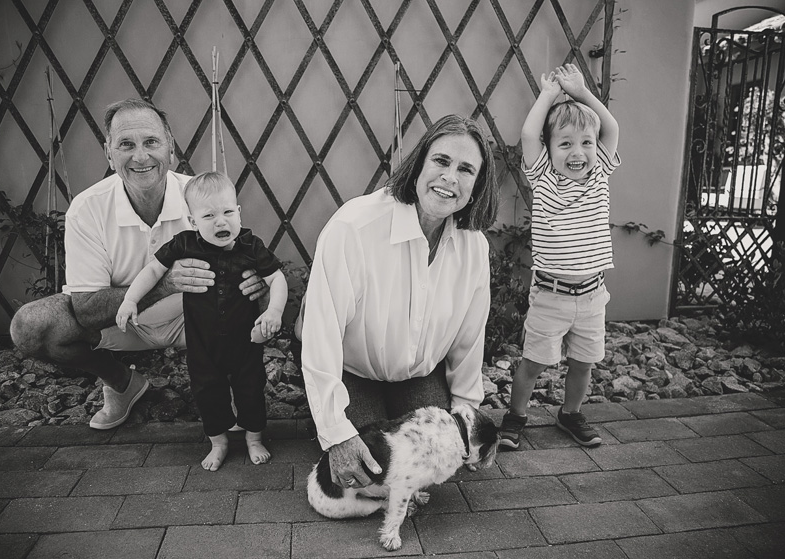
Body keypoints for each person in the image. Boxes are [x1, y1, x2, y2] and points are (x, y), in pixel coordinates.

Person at [9, 99, 267, 431]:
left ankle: (228, 385)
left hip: (195, 321)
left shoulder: (201, 198)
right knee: (31, 328)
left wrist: (254, 282)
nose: (140, 156)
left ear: (171, 148)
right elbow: (86, 310)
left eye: (151, 142)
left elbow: (246, 266)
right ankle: (121, 383)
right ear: (108, 152)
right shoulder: (87, 208)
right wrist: (166, 283)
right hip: (120, 323)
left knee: (257, 298)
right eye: (126, 145)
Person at [299, 114, 500, 489]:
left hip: (417, 376)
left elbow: (469, 340)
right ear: (419, 162)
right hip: (352, 372)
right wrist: (337, 434)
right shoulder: (353, 228)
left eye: (466, 169)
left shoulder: (474, 248)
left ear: (477, 185)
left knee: (431, 469)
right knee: (373, 473)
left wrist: (466, 411)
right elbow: (320, 335)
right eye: (441, 161)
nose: (450, 178)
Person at [117, 171, 287, 469]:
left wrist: (273, 310)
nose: (220, 221)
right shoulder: (185, 245)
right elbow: (153, 271)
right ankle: (219, 442)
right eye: (208, 216)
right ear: (193, 222)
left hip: (244, 341)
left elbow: (277, 278)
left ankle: (254, 438)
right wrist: (130, 300)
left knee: (251, 389)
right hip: (202, 344)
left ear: (239, 212)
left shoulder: (251, 246)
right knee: (208, 391)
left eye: (227, 212)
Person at [499, 63, 620, 449]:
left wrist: (583, 92)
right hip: (550, 296)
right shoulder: (544, 179)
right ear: (549, 151)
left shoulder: (600, 172)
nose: (578, 152)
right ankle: (515, 417)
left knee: (584, 363)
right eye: (565, 143)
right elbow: (528, 133)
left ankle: (570, 414)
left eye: (585, 142)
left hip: (591, 296)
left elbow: (611, 128)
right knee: (533, 363)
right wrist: (549, 95)